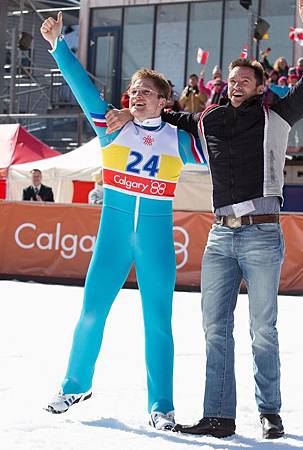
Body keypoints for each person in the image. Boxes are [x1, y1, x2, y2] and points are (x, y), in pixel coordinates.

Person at [105, 0, 303, 440]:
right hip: (220, 237)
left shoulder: (277, 115)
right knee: (214, 329)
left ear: (260, 87)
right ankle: (219, 416)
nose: (236, 85)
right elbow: (163, 114)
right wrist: (131, 111)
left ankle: (270, 412)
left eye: (245, 80)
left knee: (262, 330)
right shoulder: (209, 118)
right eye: (232, 79)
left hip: (262, 233)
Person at [40, 12, 206, 431]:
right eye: (133, 90)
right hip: (112, 238)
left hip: (155, 240)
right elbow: (82, 87)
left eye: (146, 92)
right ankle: (75, 385)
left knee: (158, 323)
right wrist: (58, 46)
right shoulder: (111, 125)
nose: (136, 96)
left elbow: (217, 142)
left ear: (163, 101)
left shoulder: (179, 140)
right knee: (91, 312)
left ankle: (161, 406)